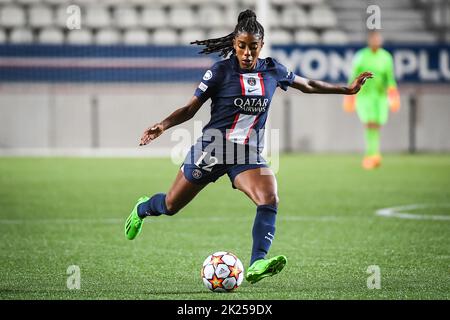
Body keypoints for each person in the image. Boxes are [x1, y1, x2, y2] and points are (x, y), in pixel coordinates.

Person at [125, 10, 373, 284]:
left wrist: (346, 90)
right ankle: (142, 208)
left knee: (269, 198)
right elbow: (189, 109)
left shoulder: (273, 70)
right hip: (213, 148)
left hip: (246, 153)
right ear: (234, 44)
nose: (246, 52)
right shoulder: (220, 71)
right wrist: (162, 125)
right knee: (171, 205)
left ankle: (257, 263)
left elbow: (309, 84)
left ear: (261, 46)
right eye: (241, 46)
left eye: (252, 47)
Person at [343, 31, 400, 170]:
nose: (376, 41)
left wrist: (394, 96)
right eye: (374, 39)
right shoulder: (361, 56)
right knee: (370, 123)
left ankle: (373, 154)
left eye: (378, 39)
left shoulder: (386, 57)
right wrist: (349, 96)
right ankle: (372, 155)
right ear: (369, 41)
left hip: (380, 96)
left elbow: (390, 79)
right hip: (364, 96)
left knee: (377, 124)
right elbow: (353, 77)